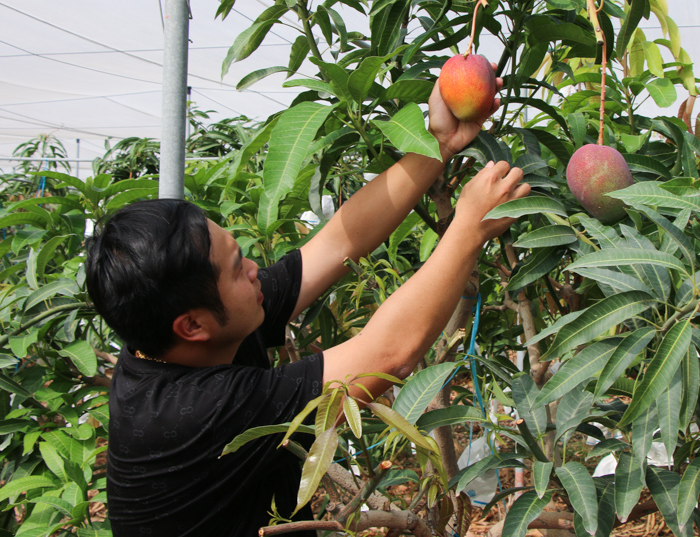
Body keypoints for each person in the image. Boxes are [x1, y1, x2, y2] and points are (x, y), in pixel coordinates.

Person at [85, 76, 530, 537]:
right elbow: (386, 355)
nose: (255, 268)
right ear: (192, 324)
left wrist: (436, 145)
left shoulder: (192, 333)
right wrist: (468, 228)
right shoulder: (190, 411)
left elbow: (338, 242)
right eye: (237, 268)